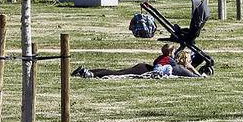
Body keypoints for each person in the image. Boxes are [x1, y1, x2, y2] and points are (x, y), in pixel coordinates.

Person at [73, 44, 202, 78]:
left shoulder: (161, 58)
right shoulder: (172, 63)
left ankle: (89, 71)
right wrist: (190, 67)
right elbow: (192, 76)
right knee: (117, 74)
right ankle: (90, 73)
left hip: (143, 67)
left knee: (117, 72)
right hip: (142, 70)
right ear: (170, 53)